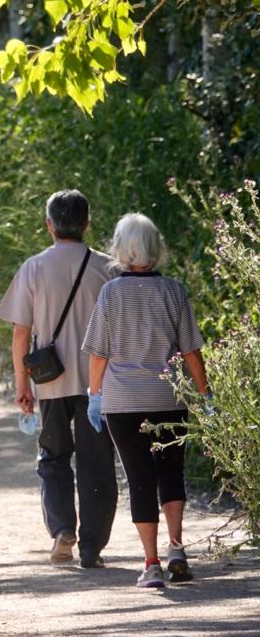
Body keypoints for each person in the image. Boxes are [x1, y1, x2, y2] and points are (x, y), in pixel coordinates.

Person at [83, 213, 209, 589]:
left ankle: (151, 564)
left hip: (123, 402)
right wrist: (204, 395)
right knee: (171, 472)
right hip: (169, 397)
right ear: (156, 247)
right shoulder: (174, 290)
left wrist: (94, 394)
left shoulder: (111, 293)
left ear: (121, 249)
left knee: (139, 479)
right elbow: (192, 351)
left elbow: (98, 354)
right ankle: (176, 548)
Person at [0, 189, 118, 568]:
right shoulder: (108, 268)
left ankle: (63, 529)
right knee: (97, 464)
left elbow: (20, 333)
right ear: (87, 224)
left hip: (50, 383)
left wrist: (22, 385)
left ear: (48, 225)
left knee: (53, 458)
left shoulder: (33, 268)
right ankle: (92, 548)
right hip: (100, 385)